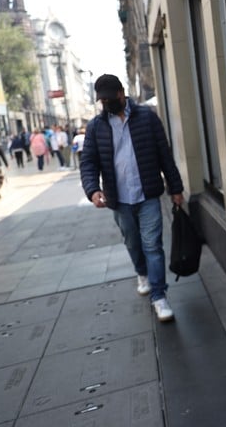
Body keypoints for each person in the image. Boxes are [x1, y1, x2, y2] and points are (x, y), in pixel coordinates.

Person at [80, 74, 185, 322]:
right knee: (133, 243)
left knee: (153, 246)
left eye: (108, 98)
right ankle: (142, 273)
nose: (104, 104)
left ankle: (159, 297)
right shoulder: (96, 126)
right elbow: (88, 162)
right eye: (101, 100)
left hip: (147, 195)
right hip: (119, 199)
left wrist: (176, 188)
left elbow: (164, 154)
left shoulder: (147, 117)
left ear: (121, 93)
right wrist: (93, 189)